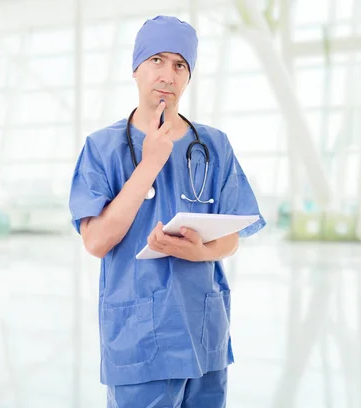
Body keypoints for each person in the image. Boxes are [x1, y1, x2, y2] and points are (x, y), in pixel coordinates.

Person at [69, 15, 265, 408]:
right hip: (140, 339)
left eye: (180, 65)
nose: (168, 74)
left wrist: (202, 252)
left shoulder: (213, 145)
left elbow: (231, 236)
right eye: (157, 60)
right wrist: (150, 164)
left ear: (188, 76)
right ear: (136, 68)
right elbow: (96, 240)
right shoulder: (103, 148)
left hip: (204, 334)